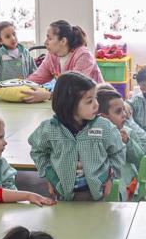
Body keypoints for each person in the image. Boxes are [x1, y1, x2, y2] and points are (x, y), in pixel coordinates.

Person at [28, 72, 125, 201]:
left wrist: (110, 177)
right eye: (90, 101)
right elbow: (37, 151)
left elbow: (118, 151)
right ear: (70, 105)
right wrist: (49, 175)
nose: (96, 104)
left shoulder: (104, 127)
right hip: (63, 194)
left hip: (96, 193)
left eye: (95, 98)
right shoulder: (50, 129)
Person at [21, 20, 103, 102]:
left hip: (97, 103)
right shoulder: (52, 56)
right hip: (76, 104)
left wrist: (49, 95)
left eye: (49, 38)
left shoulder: (84, 56)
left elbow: (75, 89)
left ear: (63, 41)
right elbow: (36, 78)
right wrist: (18, 85)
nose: (45, 42)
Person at [96, 84, 146, 198]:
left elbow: (140, 159)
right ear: (103, 118)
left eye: (124, 110)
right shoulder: (93, 136)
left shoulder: (127, 132)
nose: (125, 115)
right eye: (118, 111)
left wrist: (128, 142)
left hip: (126, 190)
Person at [0, 21, 37, 92]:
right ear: (0, 41)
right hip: (5, 92)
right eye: (7, 37)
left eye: (14, 34)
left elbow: (34, 71)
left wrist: (35, 86)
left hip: (24, 90)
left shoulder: (25, 52)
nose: (13, 38)